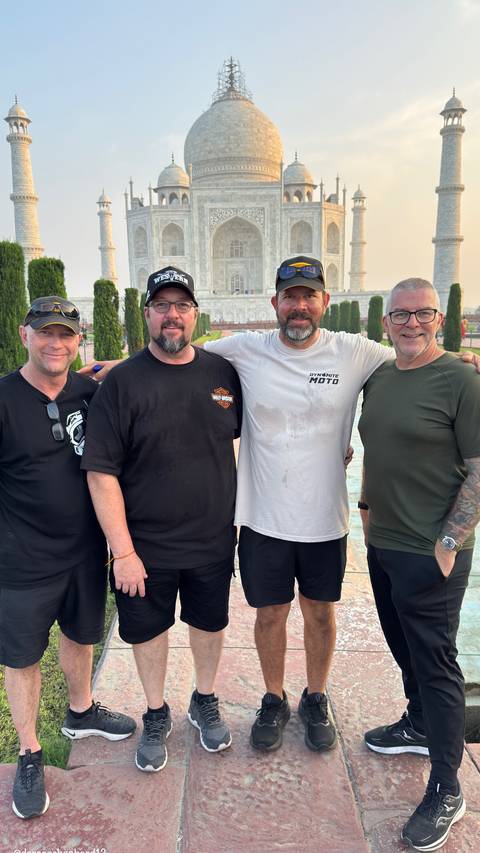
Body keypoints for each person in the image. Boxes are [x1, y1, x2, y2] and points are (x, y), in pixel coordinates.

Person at [203, 256, 395, 752]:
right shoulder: (247, 350)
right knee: (270, 614)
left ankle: (316, 695)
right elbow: (177, 358)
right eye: (290, 297)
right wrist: (106, 371)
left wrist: (467, 363)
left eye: (309, 296)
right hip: (264, 517)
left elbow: (417, 358)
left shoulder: (353, 351)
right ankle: (273, 697)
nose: (300, 306)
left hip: (322, 519)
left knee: (320, 613)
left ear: (325, 302)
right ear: (275, 303)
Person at [81, 266, 241, 773]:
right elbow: (101, 473)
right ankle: (155, 712)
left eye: (182, 306)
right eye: (162, 306)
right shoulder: (123, 383)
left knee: (209, 623)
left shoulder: (222, 373)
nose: (173, 315)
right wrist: (123, 553)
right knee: (147, 631)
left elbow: (254, 434)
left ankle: (205, 698)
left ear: (195, 313)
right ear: (147, 313)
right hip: (145, 546)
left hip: (212, 538)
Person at [0, 296, 136, 822]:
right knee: (23, 656)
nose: (55, 344)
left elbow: (151, 370)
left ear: (80, 342)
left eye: (66, 335)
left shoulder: (88, 390)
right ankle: (30, 750)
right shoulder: (6, 398)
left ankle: (81, 712)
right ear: (24, 335)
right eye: (45, 333)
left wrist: (123, 362)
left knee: (82, 637)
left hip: (84, 552)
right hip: (23, 559)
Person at [358, 278, 480, 851]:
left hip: (431, 549)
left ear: (439, 319)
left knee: (435, 661)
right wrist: (364, 508)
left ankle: (448, 787)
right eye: (401, 315)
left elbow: (479, 467)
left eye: (422, 313)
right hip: (383, 542)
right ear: (386, 323)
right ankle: (417, 722)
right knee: (401, 643)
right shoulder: (381, 378)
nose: (411, 323)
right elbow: (378, 448)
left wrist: (452, 539)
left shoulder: (459, 379)